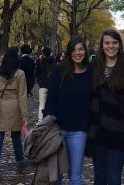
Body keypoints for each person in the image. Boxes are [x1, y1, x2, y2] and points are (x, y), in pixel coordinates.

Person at [86, 29, 124, 185]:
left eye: (114, 43)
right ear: (102, 45)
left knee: (113, 178)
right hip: (97, 130)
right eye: (107, 43)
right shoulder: (93, 66)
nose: (110, 46)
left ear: (119, 45)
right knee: (99, 178)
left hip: (117, 131)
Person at [43, 37, 92, 185]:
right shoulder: (59, 71)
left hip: (79, 130)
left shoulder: (90, 73)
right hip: (58, 129)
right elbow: (51, 99)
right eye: (74, 50)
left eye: (81, 49)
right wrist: (48, 121)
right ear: (69, 52)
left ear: (85, 51)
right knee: (56, 175)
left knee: (75, 175)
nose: (78, 53)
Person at [0, 47, 29, 184]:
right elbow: (22, 96)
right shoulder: (19, 74)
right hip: (15, 107)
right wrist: (25, 116)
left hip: (0, 107)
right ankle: (20, 161)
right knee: (16, 136)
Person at [36, 46, 56, 123]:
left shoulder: (40, 62)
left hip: (43, 85)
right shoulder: (54, 62)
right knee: (51, 103)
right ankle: (50, 120)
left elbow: (37, 73)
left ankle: (40, 120)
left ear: (43, 53)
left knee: (42, 103)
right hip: (52, 85)